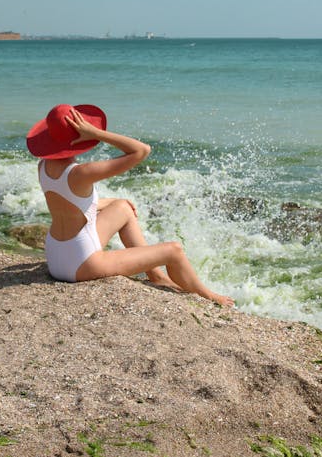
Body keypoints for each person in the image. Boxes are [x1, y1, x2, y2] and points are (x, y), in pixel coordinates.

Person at [27, 103, 235, 307]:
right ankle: (208, 296)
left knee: (123, 207)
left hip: (56, 255)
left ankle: (155, 275)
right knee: (174, 250)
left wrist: (114, 202)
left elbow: (69, 202)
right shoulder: (81, 173)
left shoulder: (43, 166)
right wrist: (97, 133)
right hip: (82, 264)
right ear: (80, 136)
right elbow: (141, 151)